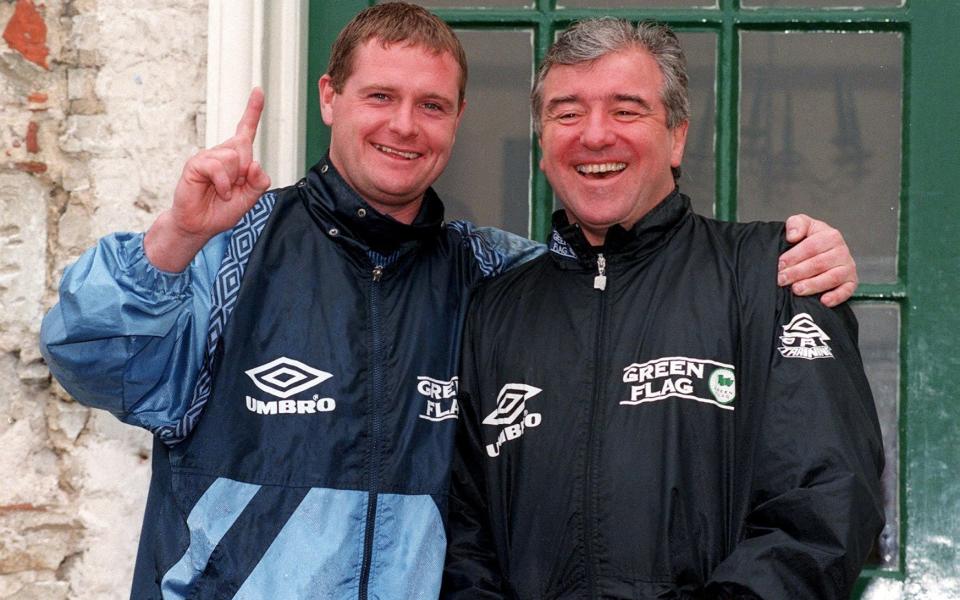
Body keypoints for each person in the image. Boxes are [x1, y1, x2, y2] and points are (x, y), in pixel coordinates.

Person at [40, 3, 859, 599]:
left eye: (431, 105)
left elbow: (624, 287)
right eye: (379, 97)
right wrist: (176, 237)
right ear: (329, 98)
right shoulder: (231, 246)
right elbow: (88, 360)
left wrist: (803, 257)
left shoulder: (493, 274)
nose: (405, 125)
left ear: (459, 119)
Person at [442, 18, 884, 600]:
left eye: (626, 110)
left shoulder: (776, 275)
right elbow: (462, 538)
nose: (595, 136)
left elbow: (826, 503)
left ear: (677, 136)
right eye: (567, 113)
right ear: (543, 145)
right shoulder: (493, 311)